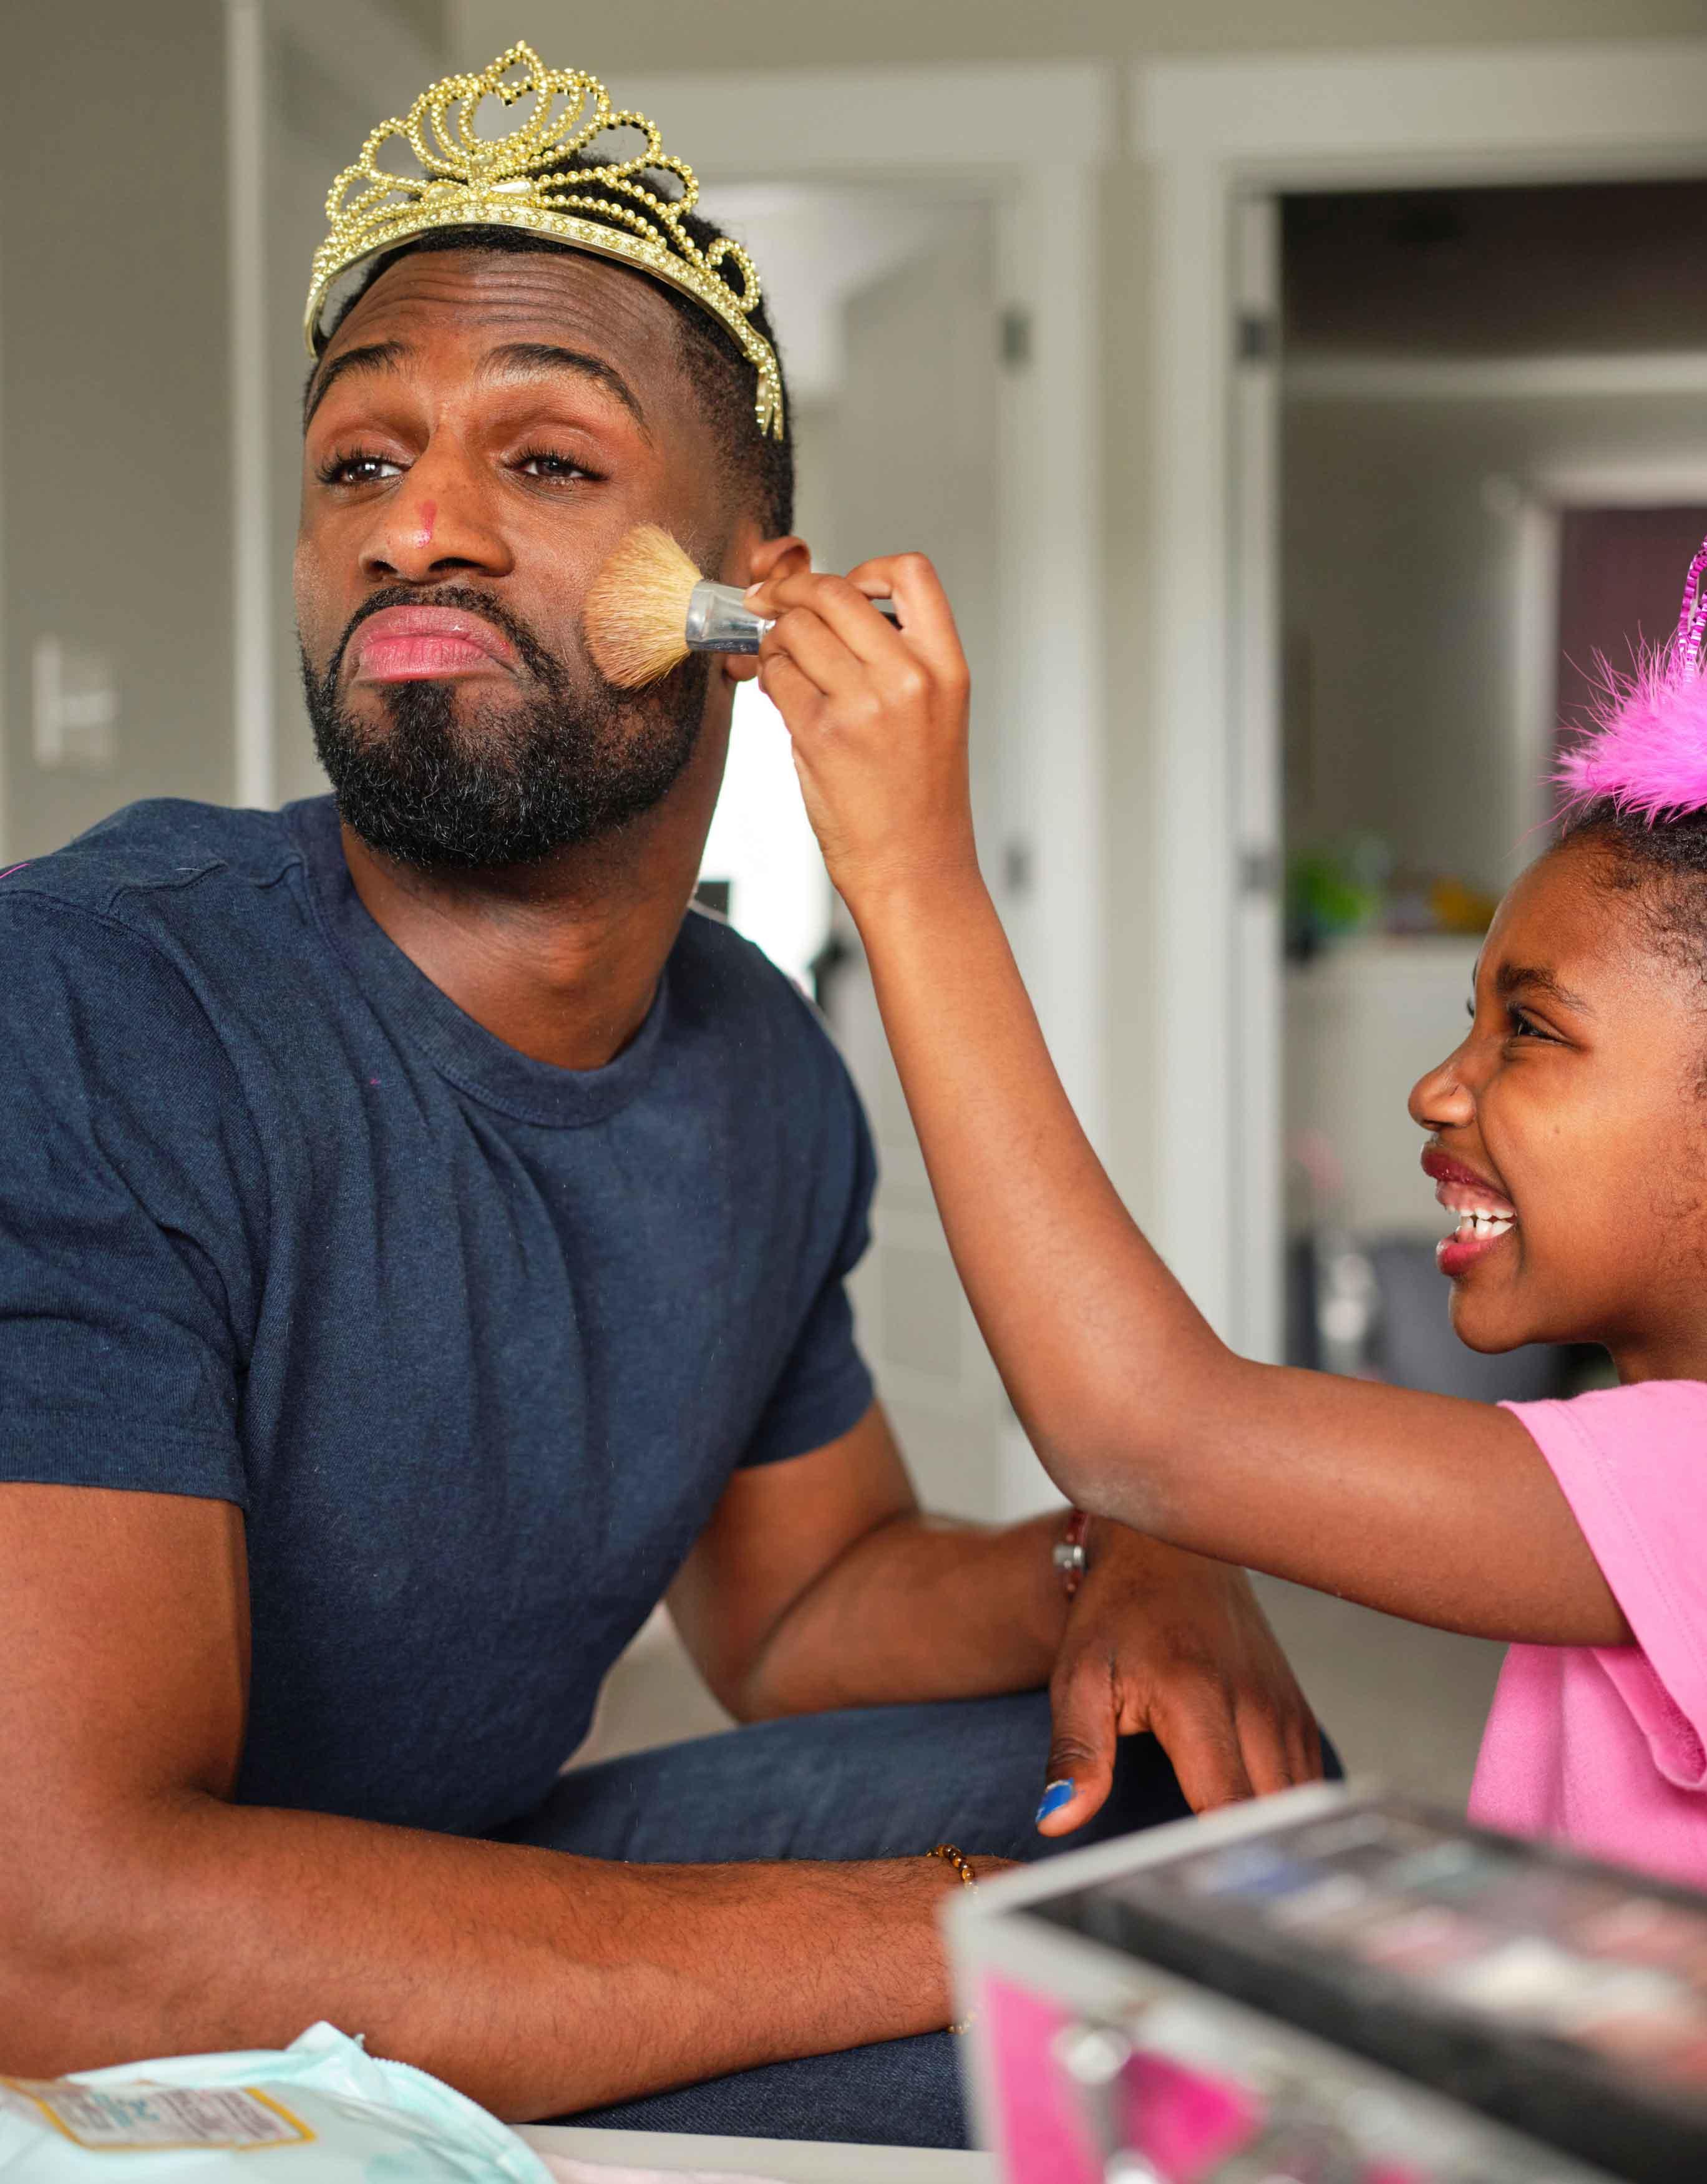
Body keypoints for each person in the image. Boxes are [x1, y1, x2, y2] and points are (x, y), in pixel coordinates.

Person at [0, 46, 1323, 2151]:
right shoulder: (85, 1005)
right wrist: (956, 1930)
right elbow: (59, 1931)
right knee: (1114, 2012)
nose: (414, 528)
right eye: (357, 464)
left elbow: (804, 1608)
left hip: (447, 1884)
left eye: (543, 462)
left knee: (1200, 1801)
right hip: (113, 2005)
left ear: (748, 592)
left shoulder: (756, 1070)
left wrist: (1119, 1562)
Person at [749, 510, 1707, 1924]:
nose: (1437, 1089)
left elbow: (1143, 1428)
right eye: (1465, 1020)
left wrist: (915, 877)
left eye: (1529, 1032)